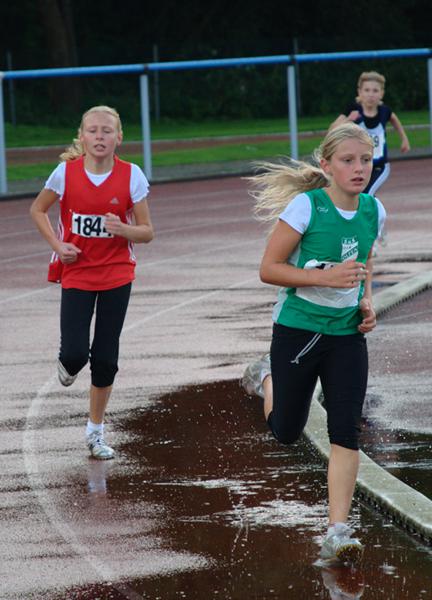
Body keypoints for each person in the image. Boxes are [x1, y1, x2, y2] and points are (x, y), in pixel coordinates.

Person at [241, 123, 386, 564]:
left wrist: (367, 305)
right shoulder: (307, 207)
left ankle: (337, 530)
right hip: (300, 331)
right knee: (286, 430)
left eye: (365, 160)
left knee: (346, 429)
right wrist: (321, 277)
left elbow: (365, 263)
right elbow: (269, 268)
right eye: (348, 160)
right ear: (326, 166)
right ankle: (267, 376)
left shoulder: (374, 210)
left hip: (345, 337)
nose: (359, 168)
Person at [30, 105, 154, 460]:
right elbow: (37, 210)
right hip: (78, 272)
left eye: (107, 131)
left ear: (119, 138)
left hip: (117, 272)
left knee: (105, 357)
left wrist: (123, 229)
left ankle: (95, 432)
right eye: (93, 131)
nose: (100, 137)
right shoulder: (65, 174)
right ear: (81, 137)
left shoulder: (131, 176)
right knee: (73, 355)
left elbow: (147, 232)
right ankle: (68, 363)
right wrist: (58, 245)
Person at [330, 71, 410, 196]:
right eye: (367, 90)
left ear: (381, 94)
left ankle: (373, 213)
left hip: (379, 166)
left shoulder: (384, 111)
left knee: (366, 194)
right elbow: (332, 129)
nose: (370, 95)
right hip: (358, 166)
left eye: (375, 91)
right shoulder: (353, 109)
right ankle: (372, 213)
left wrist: (404, 139)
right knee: (356, 194)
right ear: (360, 92)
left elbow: (394, 119)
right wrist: (348, 119)